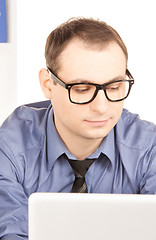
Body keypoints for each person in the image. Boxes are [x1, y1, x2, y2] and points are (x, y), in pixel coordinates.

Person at [0, 17, 156, 240]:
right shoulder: (10, 147)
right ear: (48, 85)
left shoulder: (148, 148)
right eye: (82, 89)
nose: (102, 107)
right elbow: (10, 232)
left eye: (114, 87)